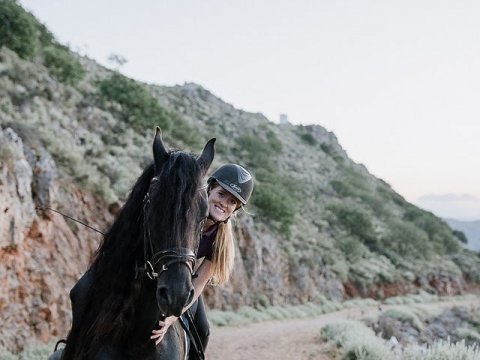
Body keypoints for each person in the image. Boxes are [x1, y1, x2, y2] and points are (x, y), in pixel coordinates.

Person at [150, 163, 254, 354]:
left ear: (236, 208)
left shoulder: (220, 239)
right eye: (221, 194)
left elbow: (197, 284)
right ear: (210, 188)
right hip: (152, 269)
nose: (224, 203)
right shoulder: (182, 212)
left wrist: (172, 317)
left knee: (203, 330)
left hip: (181, 280)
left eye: (232, 202)